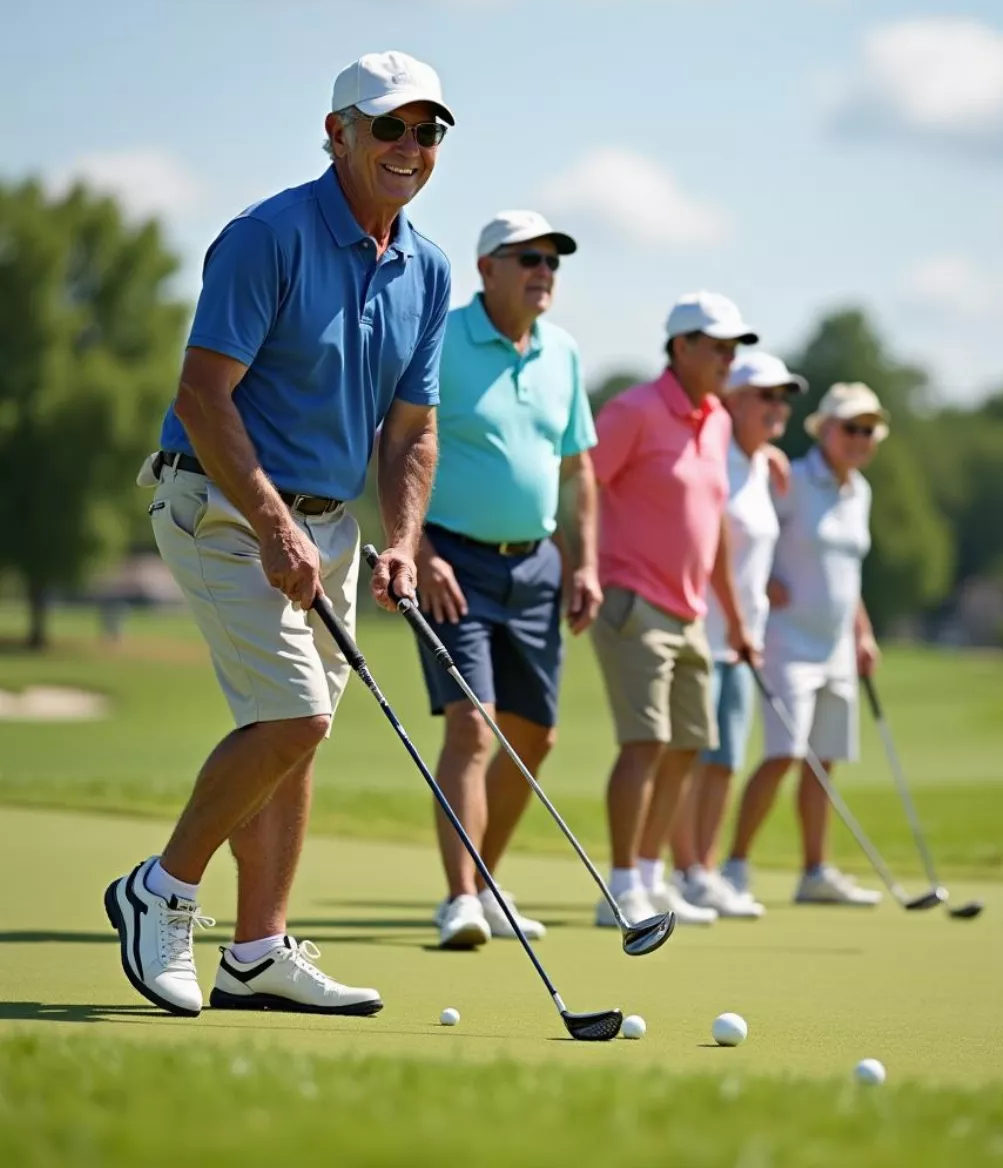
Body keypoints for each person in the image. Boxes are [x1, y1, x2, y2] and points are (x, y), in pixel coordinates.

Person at [106, 51, 452, 1017]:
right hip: (219, 502)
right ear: (337, 133)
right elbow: (202, 398)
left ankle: (257, 952)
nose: (410, 147)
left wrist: (403, 539)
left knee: (298, 731)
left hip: (331, 525)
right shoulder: (269, 237)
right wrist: (271, 525)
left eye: (428, 131)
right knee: (295, 714)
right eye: (389, 127)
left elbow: (411, 429)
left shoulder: (426, 268)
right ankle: (162, 889)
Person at [415, 211, 601, 949]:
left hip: (537, 565)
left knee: (537, 735)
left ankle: (485, 884)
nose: (544, 272)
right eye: (528, 258)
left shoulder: (564, 353)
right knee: (473, 723)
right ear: (486, 266)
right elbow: (391, 444)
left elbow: (578, 465)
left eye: (553, 261)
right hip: (452, 563)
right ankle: (459, 898)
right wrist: (416, 548)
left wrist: (584, 561)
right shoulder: (440, 340)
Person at [590, 292, 759, 928]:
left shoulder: (716, 418)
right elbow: (584, 487)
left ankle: (652, 878)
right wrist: (585, 570)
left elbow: (709, 525)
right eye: (718, 347)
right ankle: (621, 886)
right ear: (681, 347)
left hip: (690, 612)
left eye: (734, 348)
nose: (729, 359)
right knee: (646, 742)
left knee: (690, 744)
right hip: (631, 599)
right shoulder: (632, 410)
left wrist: (735, 621)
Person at [722, 382, 886, 908]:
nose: (860, 439)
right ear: (827, 430)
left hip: (836, 646)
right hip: (785, 640)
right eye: (850, 428)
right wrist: (762, 581)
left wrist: (863, 632)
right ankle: (735, 865)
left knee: (826, 758)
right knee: (783, 756)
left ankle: (815, 870)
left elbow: (848, 574)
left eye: (868, 430)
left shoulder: (859, 491)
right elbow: (746, 532)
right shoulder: (790, 477)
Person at [668, 350, 806, 917]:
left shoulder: (757, 465)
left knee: (724, 759)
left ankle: (706, 869)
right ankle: (684, 872)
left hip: (744, 637)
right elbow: (710, 548)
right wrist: (740, 620)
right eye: (766, 396)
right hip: (705, 629)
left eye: (784, 399)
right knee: (694, 756)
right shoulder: (717, 457)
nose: (778, 407)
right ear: (735, 401)